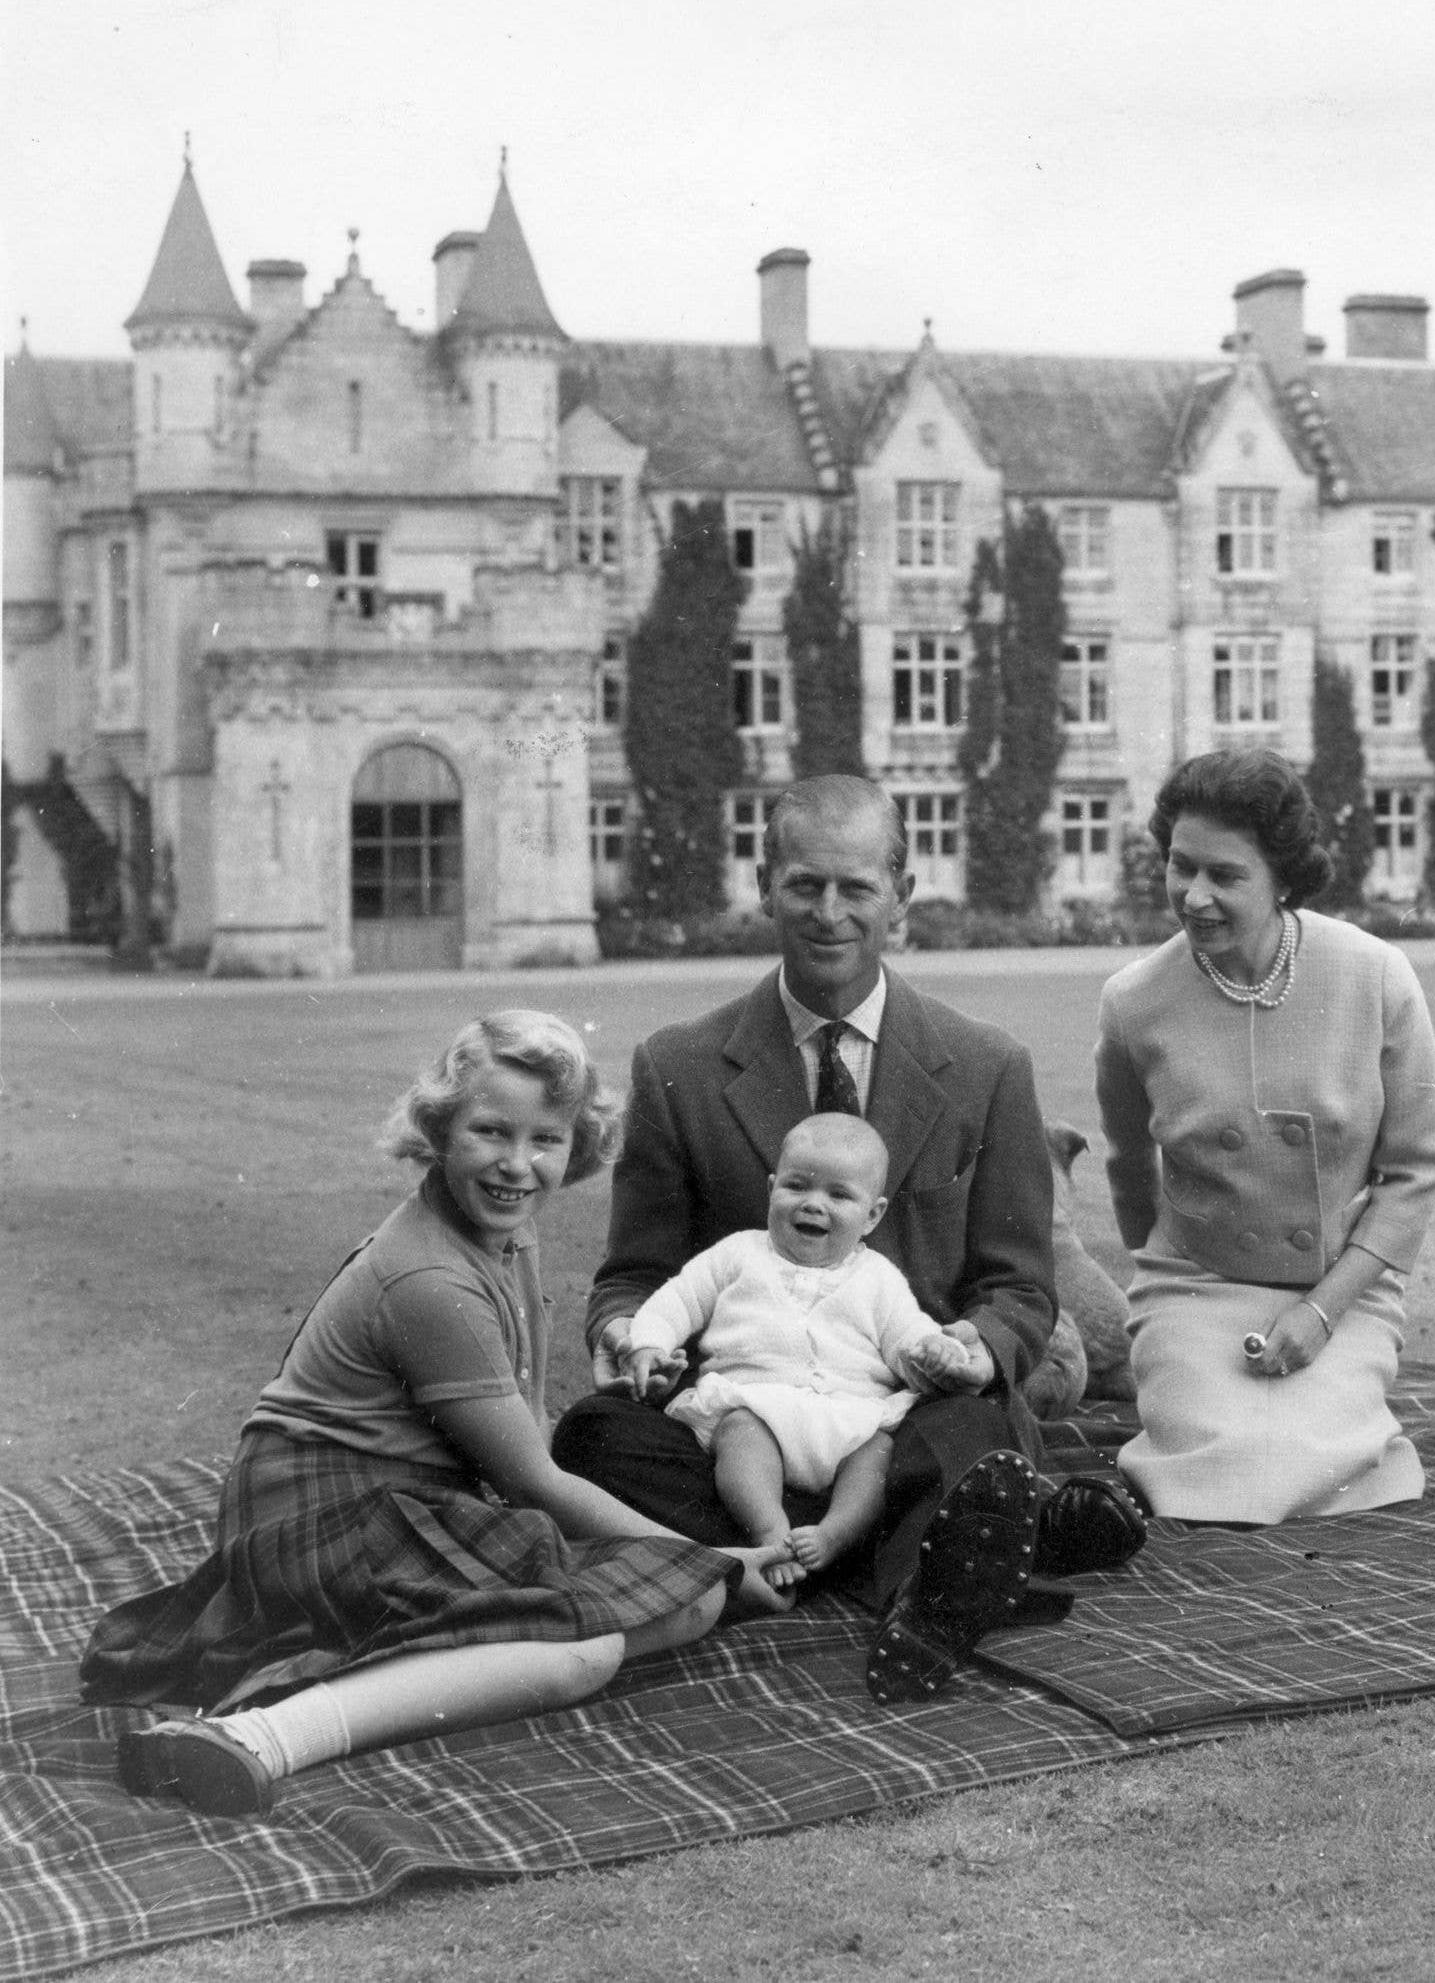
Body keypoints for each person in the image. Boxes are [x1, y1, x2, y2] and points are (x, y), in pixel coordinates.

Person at [84, 1012, 783, 1818]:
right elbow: (533, 1480)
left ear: (576, 1145)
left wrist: (697, 1569)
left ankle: (406, 1666)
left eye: (546, 1140)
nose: (518, 1165)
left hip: (399, 1502)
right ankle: (262, 1736)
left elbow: (528, 1428)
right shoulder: (429, 1279)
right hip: (318, 1510)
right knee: (584, 1655)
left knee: (681, 1598)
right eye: (490, 1131)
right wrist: (721, 1558)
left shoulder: (505, 1236)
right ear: (440, 1130)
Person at [552, 775, 1145, 1703]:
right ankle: (938, 1550)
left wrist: (971, 1350)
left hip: (907, 1419)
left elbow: (1022, 1291)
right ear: (764, 885)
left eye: (856, 888)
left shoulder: (987, 1067)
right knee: (592, 1437)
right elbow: (634, 1276)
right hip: (741, 1427)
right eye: (804, 885)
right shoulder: (679, 1067)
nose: (829, 913)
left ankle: (797, 1558)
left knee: (973, 1429)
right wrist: (630, 1340)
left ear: (900, 899)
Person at [1096, 748, 1435, 1524]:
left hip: (1342, 1290)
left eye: (1224, 876)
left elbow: (1416, 1172)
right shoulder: (1132, 1002)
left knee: (1306, 1458)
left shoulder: (1377, 978)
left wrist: (1323, 1311)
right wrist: (1171, 1290)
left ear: (1283, 878)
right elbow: (1128, 1168)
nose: (1194, 897)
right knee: (1222, 1454)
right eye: (1180, 867)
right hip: (1195, 1285)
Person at [621, 1113, 980, 1588]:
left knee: (876, 1453)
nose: (814, 1204)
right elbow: (677, 1299)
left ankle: (834, 1535)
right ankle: (770, 1531)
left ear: (872, 1215)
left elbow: (905, 1334)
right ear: (772, 1189)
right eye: (797, 1186)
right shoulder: (739, 1254)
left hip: (849, 1417)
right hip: (759, 1403)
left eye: (839, 1195)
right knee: (741, 1436)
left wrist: (932, 1349)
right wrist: (648, 1343)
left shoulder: (878, 1277)